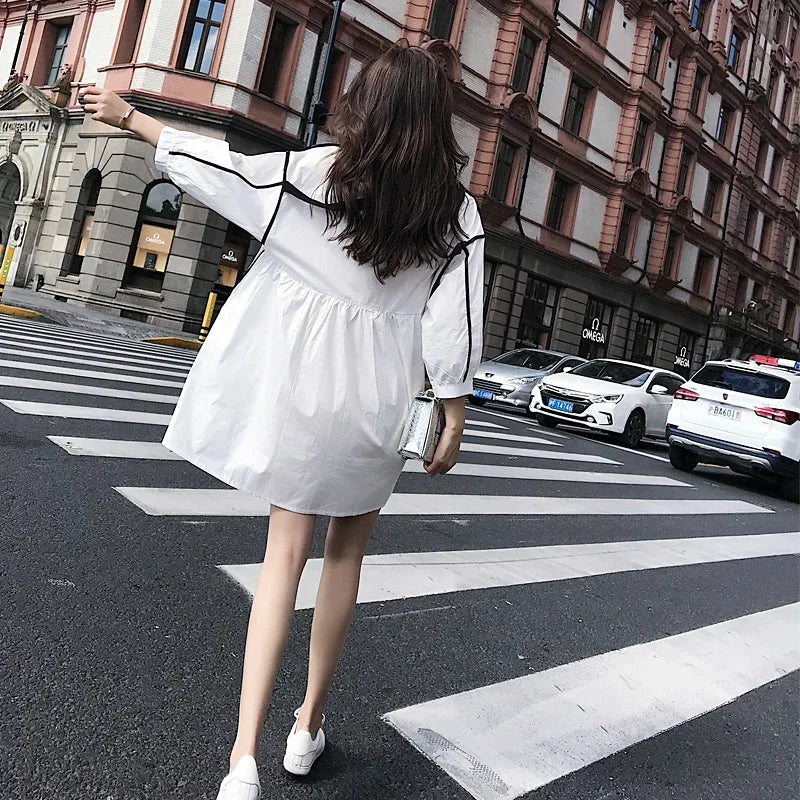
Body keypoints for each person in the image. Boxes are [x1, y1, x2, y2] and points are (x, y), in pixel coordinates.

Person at [80, 40, 484, 799]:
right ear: (437, 123)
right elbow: (453, 321)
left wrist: (133, 116)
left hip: (302, 386)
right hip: (380, 395)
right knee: (346, 558)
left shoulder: (316, 174)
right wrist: (454, 407)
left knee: (282, 558)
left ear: (367, 105)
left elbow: (226, 170)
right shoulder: (456, 214)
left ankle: (242, 759)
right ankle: (306, 729)